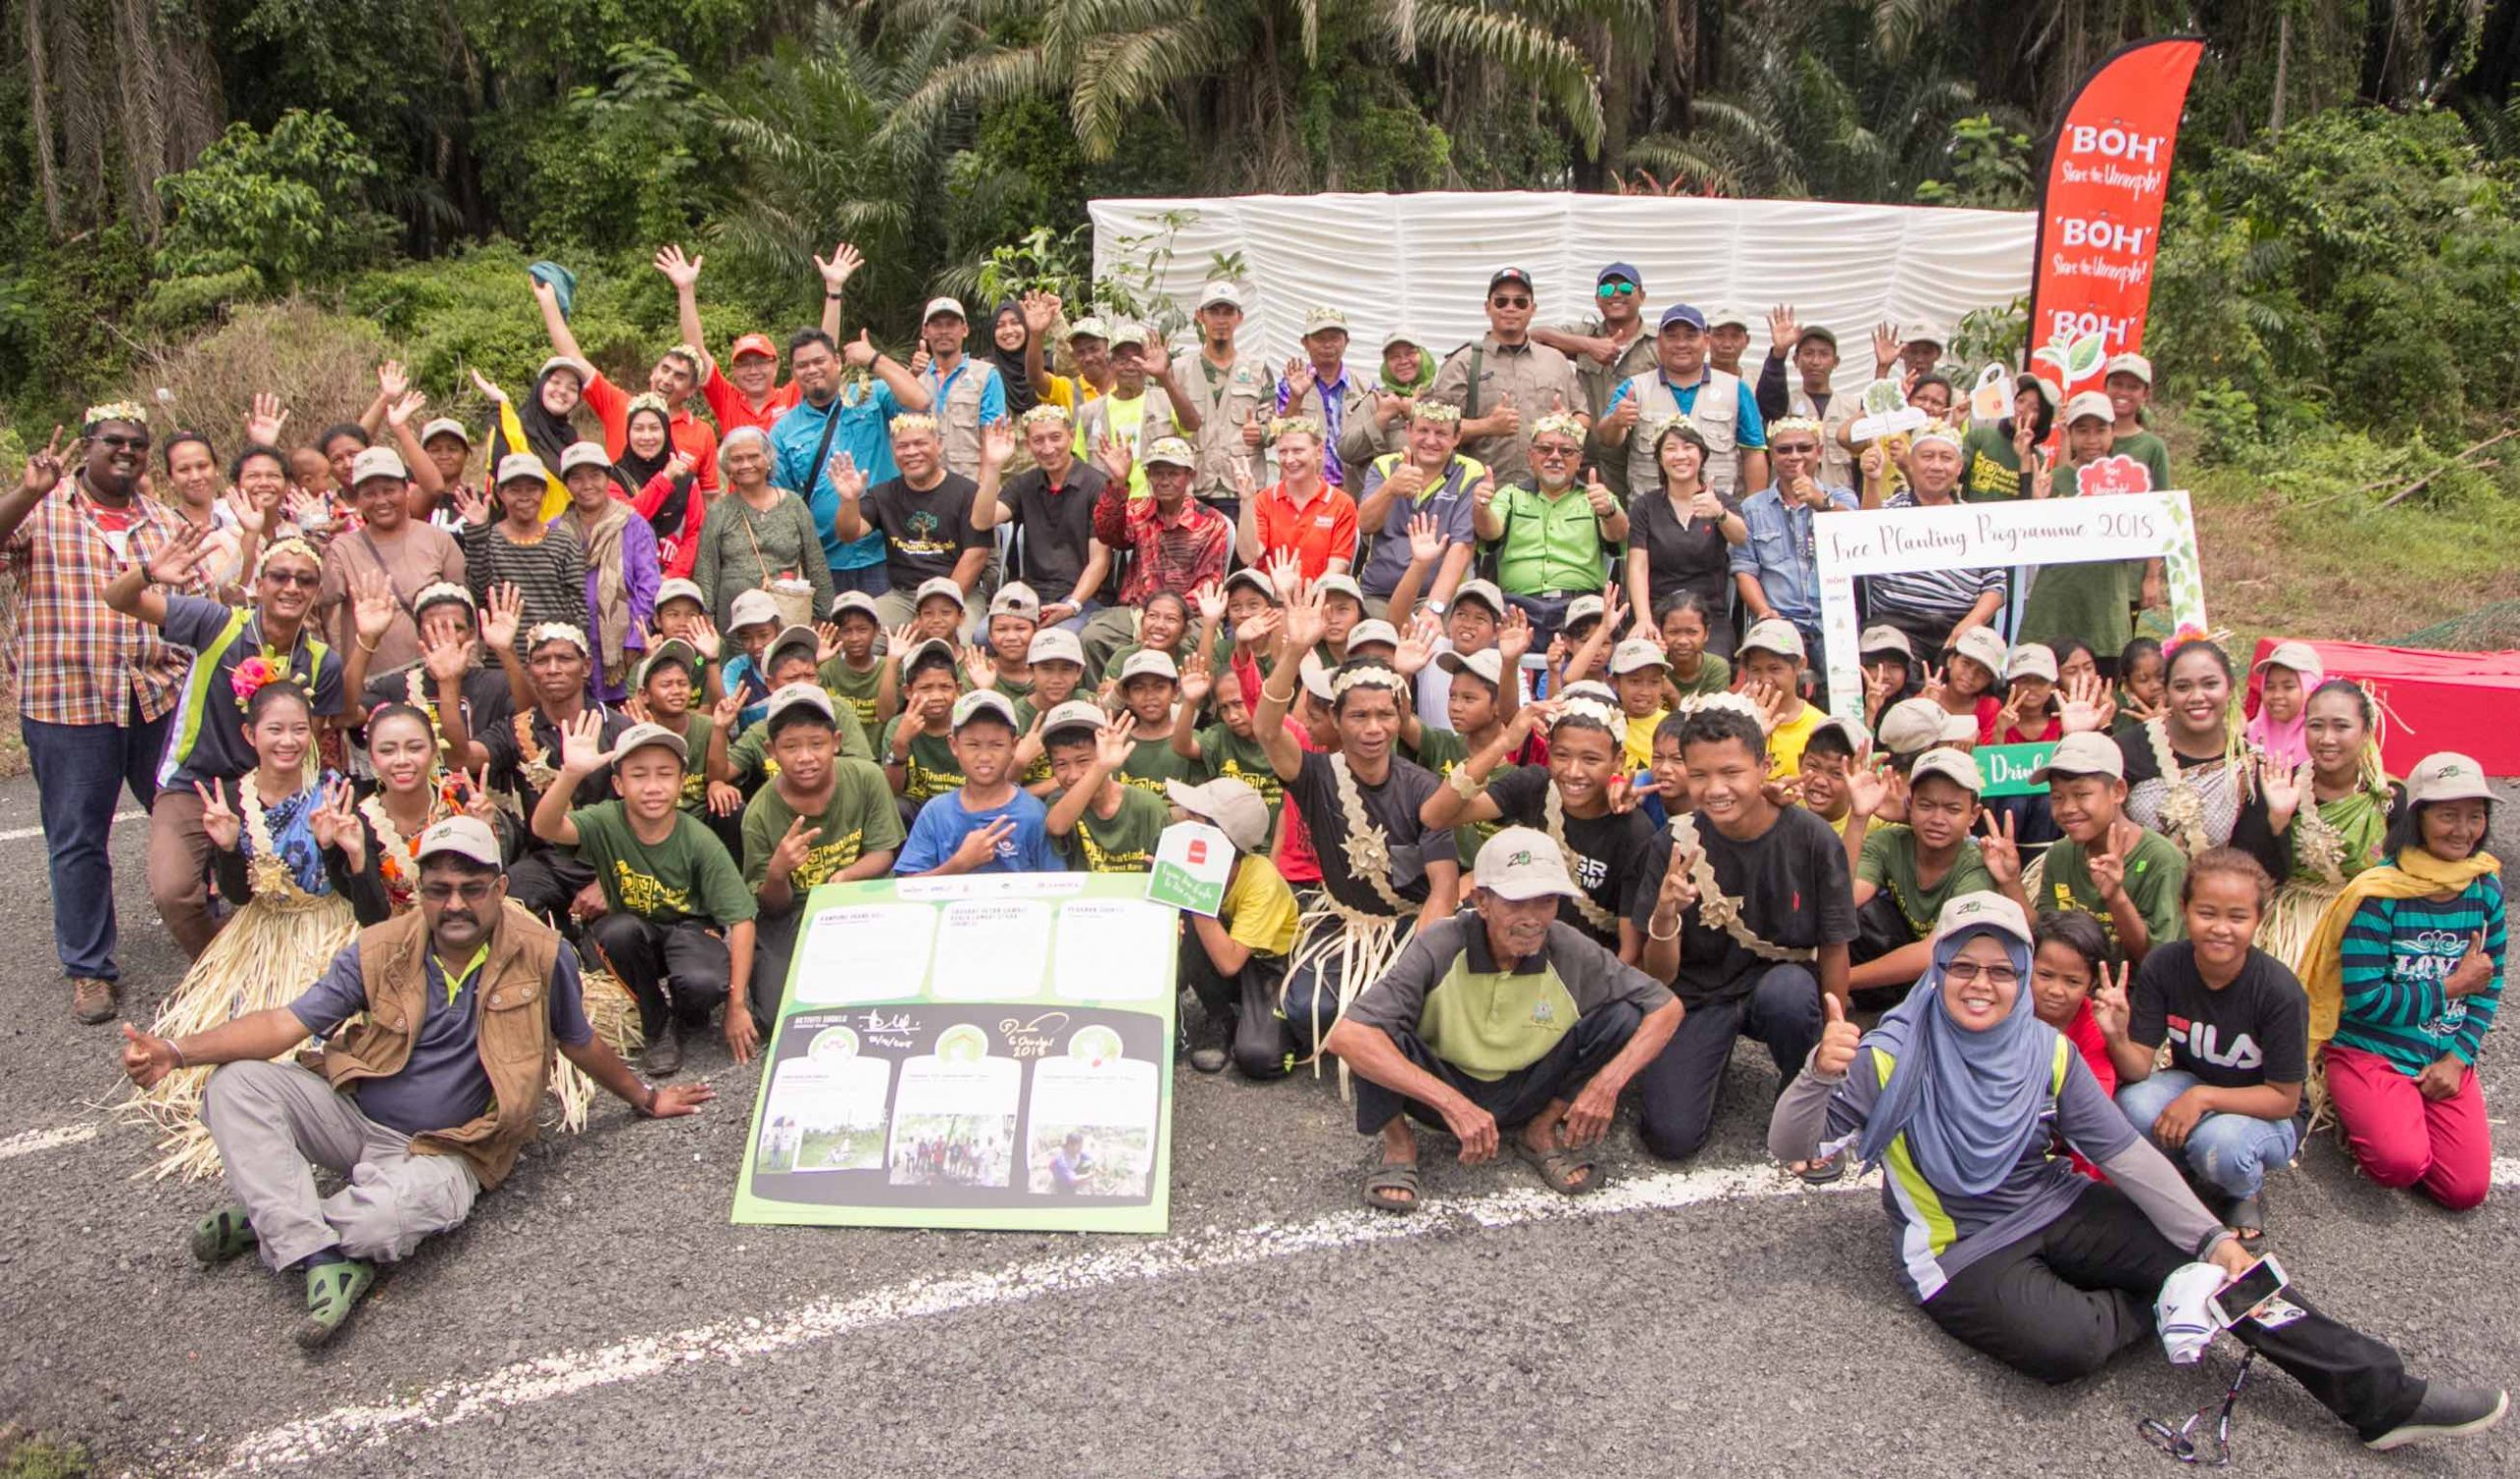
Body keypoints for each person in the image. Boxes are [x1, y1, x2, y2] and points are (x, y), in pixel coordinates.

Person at [1767, 889, 2506, 1453]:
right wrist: (1817, 1075)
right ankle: (2167, 1299)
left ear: (2022, 972)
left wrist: (2212, 1242)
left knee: (2228, 1264)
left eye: (2001, 967)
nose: (1982, 983)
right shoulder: (1889, 1052)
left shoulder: (2044, 1049)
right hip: (1960, 1246)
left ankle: (2382, 1399)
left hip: (2051, 1200)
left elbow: (2121, 1150)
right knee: (2067, 1350)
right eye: (1962, 964)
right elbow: (1790, 1148)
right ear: (1939, 968)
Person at [120, 815, 710, 1347]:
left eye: (472, 889)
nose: (455, 904)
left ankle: (275, 1221)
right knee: (236, 1084)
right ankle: (315, 1246)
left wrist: (647, 1097)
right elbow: (286, 1023)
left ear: (500, 890)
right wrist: (176, 1050)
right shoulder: (380, 947)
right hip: (353, 1118)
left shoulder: (541, 953)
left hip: (450, 1150)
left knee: (388, 1222)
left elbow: (577, 1040)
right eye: (438, 890)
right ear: (421, 893)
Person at [1326, 827, 1682, 1210]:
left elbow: (1666, 1006)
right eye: (1515, 902)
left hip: (1529, 1086)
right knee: (1374, 1031)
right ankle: (1399, 1145)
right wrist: (1452, 1103)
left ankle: (1541, 1129)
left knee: (1624, 1016)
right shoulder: (1442, 944)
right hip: (1445, 1084)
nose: (1532, 919)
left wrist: (1606, 1085)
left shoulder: (1568, 946)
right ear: (1481, 901)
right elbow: (1347, 1036)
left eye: (1546, 901)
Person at [125, 681, 390, 1177]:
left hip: (326, 929)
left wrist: (336, 847)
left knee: (323, 1039)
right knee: (242, 1031)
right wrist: (225, 848)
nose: (287, 741)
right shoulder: (235, 797)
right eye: (275, 730)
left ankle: (311, 1112)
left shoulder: (332, 791)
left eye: (298, 729)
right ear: (250, 734)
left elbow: (363, 901)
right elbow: (241, 897)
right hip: (264, 936)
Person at [0, 414, 191, 1019]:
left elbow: (196, 603)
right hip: (66, 700)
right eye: (114, 442)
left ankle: (206, 927)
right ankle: (89, 969)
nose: (127, 453)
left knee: (186, 812)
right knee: (78, 837)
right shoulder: (43, 507)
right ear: (89, 447)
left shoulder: (163, 522)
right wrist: (28, 489)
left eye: (138, 445)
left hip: (154, 693)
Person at [107, 528, 346, 964]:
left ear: (316, 591)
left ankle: (289, 970)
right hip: (194, 784)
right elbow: (118, 600)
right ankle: (224, 968)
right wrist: (147, 573)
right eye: (280, 576)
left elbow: (317, 742)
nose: (291, 587)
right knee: (175, 893)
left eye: (305, 580)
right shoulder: (216, 623)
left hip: (273, 793)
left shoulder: (320, 660)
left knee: (291, 889)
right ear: (260, 582)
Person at [1632, 702, 1855, 1164]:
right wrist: (1666, 914)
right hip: (1697, 995)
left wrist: (1836, 1035)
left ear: (1765, 767)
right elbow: (1662, 973)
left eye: (1731, 772)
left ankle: (1803, 1082)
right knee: (1670, 1139)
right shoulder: (1671, 843)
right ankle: (1710, 1056)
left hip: (1773, 987)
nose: (1715, 789)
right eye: (1699, 775)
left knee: (1790, 995)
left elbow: (1834, 945)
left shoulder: (1812, 839)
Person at [1251, 584, 1462, 1070]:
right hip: (1345, 924)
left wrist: (1409, 972)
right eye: (1360, 715)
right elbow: (1266, 729)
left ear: (1400, 716)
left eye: (1384, 715)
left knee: (1428, 1008)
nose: (1373, 728)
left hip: (1410, 929)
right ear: (1337, 721)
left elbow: (1443, 892)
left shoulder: (1425, 787)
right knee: (1308, 1008)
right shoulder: (1316, 774)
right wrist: (1297, 650)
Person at [2302, 751, 2504, 1212]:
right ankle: (2367, 1110)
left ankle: (2396, 1114)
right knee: (2399, 1165)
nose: (2463, 829)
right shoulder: (2379, 894)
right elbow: (2366, 999)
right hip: (2372, 1051)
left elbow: (2490, 985)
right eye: (2448, 815)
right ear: (2417, 818)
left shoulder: (2484, 887)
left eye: (2475, 816)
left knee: (2464, 1191)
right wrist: (2451, 987)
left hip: (2443, 1053)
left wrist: (2458, 1058)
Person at [533, 716, 758, 1076]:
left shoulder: (699, 840)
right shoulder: (606, 821)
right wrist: (570, 774)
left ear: (682, 782)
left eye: (664, 774)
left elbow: (742, 920)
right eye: (639, 775)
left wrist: (736, 1005)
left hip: (688, 929)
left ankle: (687, 1009)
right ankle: (657, 1024)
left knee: (704, 983)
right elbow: (544, 826)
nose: (653, 786)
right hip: (636, 934)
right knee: (617, 932)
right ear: (619, 784)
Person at [2110, 849, 2307, 1247]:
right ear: (2184, 909)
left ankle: (2243, 1189)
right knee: (2130, 1106)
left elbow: (2285, 1100)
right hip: (2194, 1082)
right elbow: (2138, 1068)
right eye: (2207, 913)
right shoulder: (2164, 965)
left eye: (2237, 917)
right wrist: (2115, 1034)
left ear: (2259, 920)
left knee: (2222, 1146)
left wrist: (2201, 1098)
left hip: (2266, 1111)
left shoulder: (2279, 992)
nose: (2220, 928)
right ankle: (2186, 1167)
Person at [1421, 696, 1655, 961]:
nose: (1573, 772)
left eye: (1591, 759)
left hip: (1588, 971)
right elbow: (1435, 816)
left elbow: (1630, 953)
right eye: (1562, 755)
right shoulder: (1536, 786)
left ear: (1618, 760)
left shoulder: (1634, 831)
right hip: (1518, 954)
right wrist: (1504, 743)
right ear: (1550, 751)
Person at [741, 683, 903, 1027]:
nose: (805, 757)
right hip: (795, 912)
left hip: (861, 897)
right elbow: (772, 906)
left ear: (837, 742)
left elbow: (883, 853)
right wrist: (778, 872)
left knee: (894, 991)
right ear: (771, 751)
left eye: (817, 744)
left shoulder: (867, 778)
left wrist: (845, 877)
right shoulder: (758, 814)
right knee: (776, 1018)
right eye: (790, 747)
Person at [768, 326, 933, 598]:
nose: (811, 370)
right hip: (826, 560)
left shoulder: (873, 396)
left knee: (887, 634)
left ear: (837, 361)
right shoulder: (784, 431)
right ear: (793, 372)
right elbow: (781, 502)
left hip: (887, 550)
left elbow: (920, 401)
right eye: (802, 365)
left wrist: (874, 359)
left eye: (819, 361)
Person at [531, 274, 721, 495]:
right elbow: (574, 358)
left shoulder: (702, 433)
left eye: (679, 376)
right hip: (617, 518)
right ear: (652, 373)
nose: (667, 380)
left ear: (691, 390)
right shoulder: (619, 405)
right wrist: (549, 303)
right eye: (665, 369)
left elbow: (709, 497)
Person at [1846, 746, 2015, 994]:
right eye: (1926, 805)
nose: (1937, 818)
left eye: (1953, 809)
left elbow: (1934, 950)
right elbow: (1843, 900)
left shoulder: (1978, 863)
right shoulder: (1887, 842)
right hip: (1895, 975)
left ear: (1973, 815)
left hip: (1955, 979)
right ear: (1910, 804)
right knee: (1865, 915)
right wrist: (1858, 818)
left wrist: (1843, 979)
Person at [1167, 777, 1301, 1077]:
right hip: (1231, 950)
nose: (1182, 819)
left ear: (1219, 837)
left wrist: (1191, 890)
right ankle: (1220, 1018)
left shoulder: (1261, 879)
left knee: (1260, 1059)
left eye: (1194, 818)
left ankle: (1285, 1025)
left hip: (1272, 967)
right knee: (1187, 918)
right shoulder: (1201, 856)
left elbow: (1229, 963)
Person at [2118, 639, 2287, 874]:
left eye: (2210, 684)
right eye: (2182, 687)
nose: (2197, 696)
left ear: (2229, 688)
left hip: (2215, 904)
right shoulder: (2126, 751)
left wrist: (2278, 820)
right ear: (2167, 691)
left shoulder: (2250, 766)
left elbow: (2257, 868)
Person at [2262, 679, 2396, 974]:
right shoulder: (2281, 784)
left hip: (2366, 930)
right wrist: (2279, 819)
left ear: (2365, 731)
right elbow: (2255, 871)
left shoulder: (2389, 797)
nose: (2327, 738)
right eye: (2316, 726)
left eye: (2341, 726)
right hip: (2291, 932)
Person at [661, 239, 854, 437]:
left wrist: (834, 291)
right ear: (734, 371)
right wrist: (685, 290)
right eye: (744, 364)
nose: (753, 371)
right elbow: (695, 350)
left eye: (761, 362)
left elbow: (823, 349)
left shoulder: (792, 395)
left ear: (776, 366)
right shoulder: (727, 400)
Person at [2024, 732, 2188, 964]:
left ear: (2118, 791)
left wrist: (2116, 897)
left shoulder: (2163, 861)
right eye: (2057, 797)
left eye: (2081, 794)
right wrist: (2011, 882)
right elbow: (2047, 940)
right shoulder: (2061, 853)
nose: (2068, 808)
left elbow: (2158, 961)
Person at [2018, 392, 2154, 661]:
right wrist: (2037, 504)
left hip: (2105, 611)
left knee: (2103, 689)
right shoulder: (2052, 479)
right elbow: (2029, 546)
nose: (2092, 440)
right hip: (2054, 609)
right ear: (2070, 433)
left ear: (2113, 432)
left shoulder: (2129, 482)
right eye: (2082, 430)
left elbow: (2139, 547)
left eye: (2100, 430)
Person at [1856, 421, 2005, 659]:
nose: (1936, 466)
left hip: (1960, 623)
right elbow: (1864, 541)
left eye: (1946, 458)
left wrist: (1970, 623)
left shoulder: (1978, 520)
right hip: (1898, 624)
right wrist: (1872, 480)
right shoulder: (1890, 510)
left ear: (1959, 467)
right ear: (1912, 463)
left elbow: (1996, 585)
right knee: (1888, 664)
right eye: (1927, 456)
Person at [319, 445, 468, 679]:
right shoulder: (342, 549)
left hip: (436, 677)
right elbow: (320, 602)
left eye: (389, 490)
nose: (381, 501)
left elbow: (463, 610)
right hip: (372, 687)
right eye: (369, 494)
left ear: (407, 490)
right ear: (358, 499)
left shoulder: (438, 540)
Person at [1429, 268, 1586, 486]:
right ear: (1487, 307)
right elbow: (1433, 431)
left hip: (1546, 495)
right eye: (1501, 302)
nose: (1510, 308)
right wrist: (1487, 426)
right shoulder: (1463, 363)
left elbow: (1583, 416)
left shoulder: (1556, 361)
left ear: (1533, 309)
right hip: (1482, 494)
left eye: (1520, 302)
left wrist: (1569, 425)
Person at [1084, 437, 1234, 665]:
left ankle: (1189, 699)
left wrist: (1163, 618)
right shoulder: (1138, 510)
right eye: (1157, 473)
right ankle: (1105, 697)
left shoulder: (1211, 522)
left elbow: (1207, 585)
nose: (1164, 481)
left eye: (1173, 474)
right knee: (1092, 637)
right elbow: (1108, 534)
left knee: (1198, 643)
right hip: (1136, 610)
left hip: (1188, 614)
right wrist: (1117, 485)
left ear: (1190, 476)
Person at [1601, 303, 1769, 501]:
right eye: (1672, 336)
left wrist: (1755, 514)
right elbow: (1607, 439)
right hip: (1651, 518)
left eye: (1690, 336)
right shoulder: (1634, 388)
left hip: (1718, 515)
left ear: (1706, 341)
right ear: (1658, 342)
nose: (1681, 344)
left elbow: (1754, 454)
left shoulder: (1735, 389)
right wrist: (1615, 422)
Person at [1480, 414, 1624, 647]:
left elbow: (1620, 536)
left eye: (1566, 451)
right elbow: (1490, 532)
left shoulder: (1596, 496)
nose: (1555, 457)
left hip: (1579, 606)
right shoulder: (1510, 495)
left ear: (1579, 460)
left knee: (1597, 643)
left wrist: (1608, 511)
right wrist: (1481, 507)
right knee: (1492, 641)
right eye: (1545, 449)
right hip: (1517, 605)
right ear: (1530, 456)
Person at [836, 416, 988, 630]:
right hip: (904, 596)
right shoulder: (884, 493)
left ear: (939, 445)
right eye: (903, 446)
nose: (911, 452)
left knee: (955, 640)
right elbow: (848, 534)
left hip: (958, 594)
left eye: (920, 443)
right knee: (859, 634)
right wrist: (848, 500)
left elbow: (976, 555)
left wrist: (934, 615)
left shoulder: (968, 493)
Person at [971, 410, 1110, 632]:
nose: (1047, 448)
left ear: (1071, 436)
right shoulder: (1024, 484)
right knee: (982, 635)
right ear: (1027, 444)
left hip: (1082, 597)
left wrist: (1072, 605)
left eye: (1055, 437)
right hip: (1032, 594)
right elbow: (981, 521)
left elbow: (1100, 562)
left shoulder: (1097, 485)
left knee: (1058, 638)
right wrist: (993, 467)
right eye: (1038, 440)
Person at [896, 690, 1062, 875]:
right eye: (973, 745)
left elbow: (1054, 885)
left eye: (996, 745)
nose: (984, 757)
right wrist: (959, 864)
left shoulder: (1033, 813)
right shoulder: (936, 812)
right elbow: (907, 886)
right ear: (954, 745)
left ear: (1014, 746)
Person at [1731, 417, 1855, 662]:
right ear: (1772, 457)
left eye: (1804, 448)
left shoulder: (1841, 497)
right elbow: (1744, 571)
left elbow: (1856, 532)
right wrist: (1764, 611)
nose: (1794, 456)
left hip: (1833, 619)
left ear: (1819, 452)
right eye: (1784, 450)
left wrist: (1821, 502)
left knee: (1843, 686)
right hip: (1780, 622)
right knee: (1779, 672)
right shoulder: (1752, 508)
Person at [1532, 262, 1659, 498]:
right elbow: (1534, 336)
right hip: (1585, 460)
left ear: (1642, 296)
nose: (1616, 295)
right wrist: (1588, 346)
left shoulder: (1657, 344)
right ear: (1597, 299)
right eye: (1607, 291)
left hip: (1638, 462)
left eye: (1626, 289)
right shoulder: (1584, 334)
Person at [692, 425, 835, 635]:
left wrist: (822, 617)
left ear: (768, 460)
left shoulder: (794, 505)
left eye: (753, 457)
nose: (746, 465)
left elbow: (816, 564)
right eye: (737, 459)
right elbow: (706, 571)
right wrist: (706, 621)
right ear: (727, 467)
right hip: (734, 622)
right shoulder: (719, 512)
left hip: (785, 617)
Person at [1623, 419, 1747, 658]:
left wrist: (1719, 513)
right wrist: (1644, 619)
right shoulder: (1645, 506)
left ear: (1702, 455)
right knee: (1641, 661)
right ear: (1660, 459)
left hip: (1707, 613)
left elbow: (1740, 537)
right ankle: (1661, 699)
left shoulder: (1720, 500)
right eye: (1670, 449)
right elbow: (1637, 566)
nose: (1680, 455)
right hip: (1658, 609)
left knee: (1713, 664)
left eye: (1688, 447)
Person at [1353, 403, 1488, 614]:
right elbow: (1365, 525)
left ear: (1457, 437)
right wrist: (1390, 489)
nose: (1430, 441)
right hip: (1379, 593)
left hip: (1434, 596)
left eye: (1441, 433)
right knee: (1375, 642)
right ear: (1408, 430)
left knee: (1432, 639)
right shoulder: (1384, 466)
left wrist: (1434, 608)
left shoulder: (1470, 471)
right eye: (1423, 430)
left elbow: (1462, 547)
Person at [551, 441, 660, 705]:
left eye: (595, 475)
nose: (587, 485)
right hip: (571, 648)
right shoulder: (555, 530)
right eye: (576, 478)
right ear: (566, 484)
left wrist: (633, 641)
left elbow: (649, 587)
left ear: (607, 478)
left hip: (621, 652)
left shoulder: (633, 525)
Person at [456, 453, 588, 657]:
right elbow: (478, 593)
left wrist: (572, 656)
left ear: (543, 491)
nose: (524, 497)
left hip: (552, 660)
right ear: (500, 493)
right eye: (515, 490)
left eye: (532, 489)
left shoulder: (565, 544)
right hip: (500, 661)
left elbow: (579, 611)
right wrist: (477, 533)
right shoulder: (488, 540)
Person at [1170, 281, 1275, 522]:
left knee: (1245, 558)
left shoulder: (1258, 370)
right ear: (1200, 316)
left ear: (1239, 317)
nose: (1221, 320)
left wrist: (1262, 432)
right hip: (1193, 489)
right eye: (1213, 312)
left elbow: (1274, 426)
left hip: (1243, 489)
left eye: (1228, 312)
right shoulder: (1179, 371)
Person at [1041, 708, 1174, 871]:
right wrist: (1101, 767)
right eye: (1061, 764)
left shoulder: (1148, 807)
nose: (1073, 775)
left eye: (1083, 760)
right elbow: (1057, 826)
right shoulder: (1060, 801)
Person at [1237, 418, 1357, 580]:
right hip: (1270, 599)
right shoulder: (1264, 500)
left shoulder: (1342, 504)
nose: (1289, 459)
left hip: (1317, 599)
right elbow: (1248, 556)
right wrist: (1246, 501)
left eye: (1298, 451)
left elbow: (1337, 568)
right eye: (1283, 452)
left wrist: (1305, 603)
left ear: (1319, 452)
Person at [1075, 324, 1184, 499]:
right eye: (1123, 360)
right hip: (1110, 508)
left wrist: (1164, 377)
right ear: (1111, 364)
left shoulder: (1166, 401)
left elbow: (1192, 425)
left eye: (1137, 359)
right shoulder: (1089, 412)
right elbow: (1081, 466)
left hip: (1157, 507)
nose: (1130, 366)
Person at [1752, 309, 1858, 491]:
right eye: (1808, 354)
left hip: (1839, 507)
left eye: (1824, 354)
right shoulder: (1784, 403)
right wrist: (1778, 354)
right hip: (1792, 502)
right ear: (1795, 360)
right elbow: (1768, 399)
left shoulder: (1854, 407)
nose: (1815, 361)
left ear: (1836, 362)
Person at [609, 396, 703, 581]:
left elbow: (695, 534)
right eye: (638, 429)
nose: (646, 437)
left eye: (654, 428)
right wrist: (665, 478)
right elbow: (624, 521)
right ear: (628, 433)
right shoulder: (613, 477)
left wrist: (671, 577)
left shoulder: (687, 479)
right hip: (628, 580)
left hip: (674, 584)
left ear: (666, 431)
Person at [1343, 330, 1440, 471]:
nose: (1403, 361)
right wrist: (1380, 419)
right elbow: (1347, 453)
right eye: (1394, 357)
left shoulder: (1443, 397)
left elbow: (1456, 444)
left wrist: (1417, 415)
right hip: (1382, 489)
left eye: (1410, 353)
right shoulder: (1375, 400)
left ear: (1424, 356)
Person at [1959, 374, 2057, 503]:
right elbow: (1952, 475)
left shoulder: (2038, 462)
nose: (2021, 409)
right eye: (2020, 400)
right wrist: (1956, 424)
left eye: (2035, 409)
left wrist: (2025, 459)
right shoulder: (1981, 436)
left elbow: (2028, 509)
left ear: (2043, 420)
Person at [2244, 640, 2322, 770]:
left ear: (2310, 688)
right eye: (2269, 687)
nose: (2277, 695)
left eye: (2288, 687)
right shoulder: (2249, 735)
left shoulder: (2322, 741)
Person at [2104, 353, 2174, 492]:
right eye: (2117, 384)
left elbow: (2163, 500)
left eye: (2133, 387)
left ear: (2145, 394)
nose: (2123, 392)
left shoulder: (2154, 447)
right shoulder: (2085, 436)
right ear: (2106, 387)